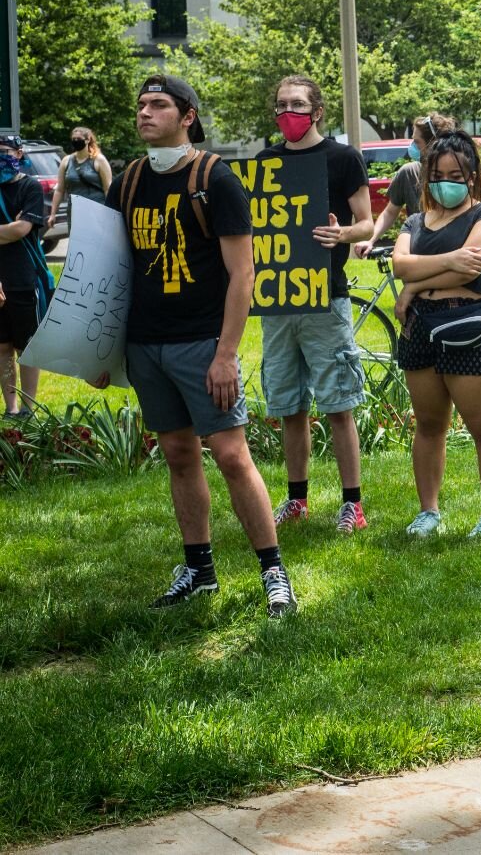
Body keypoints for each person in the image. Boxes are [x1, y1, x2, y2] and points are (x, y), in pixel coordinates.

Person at [110, 75, 296, 617]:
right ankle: (199, 570)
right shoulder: (127, 182)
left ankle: (273, 572)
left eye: (159, 105)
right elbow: (109, 270)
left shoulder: (215, 179)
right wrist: (100, 350)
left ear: (187, 115)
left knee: (233, 455)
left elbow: (244, 275)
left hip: (201, 344)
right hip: (145, 344)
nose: (145, 113)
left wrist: (225, 353)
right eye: (142, 104)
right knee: (177, 454)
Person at [261, 76, 375, 533]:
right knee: (289, 406)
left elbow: (367, 223)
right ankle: (297, 499)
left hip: (326, 297)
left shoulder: (343, 158)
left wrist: (341, 234)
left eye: (297, 104)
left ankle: (353, 503)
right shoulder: (266, 162)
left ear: (317, 112)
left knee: (338, 402)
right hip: (278, 299)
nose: (289, 112)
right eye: (282, 105)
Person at [392, 130, 481, 539]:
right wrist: (432, 269)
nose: (448, 181)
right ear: (427, 176)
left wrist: (416, 279)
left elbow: (473, 268)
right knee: (428, 425)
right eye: (440, 173)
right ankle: (428, 511)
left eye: (457, 175)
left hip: (470, 325)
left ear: (473, 176)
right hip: (419, 328)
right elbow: (400, 265)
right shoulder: (413, 221)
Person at [355, 113, 457, 258]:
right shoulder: (409, 172)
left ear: (433, 143)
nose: (412, 147)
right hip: (420, 257)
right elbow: (390, 212)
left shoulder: (458, 174)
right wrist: (370, 240)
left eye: (416, 142)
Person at [0, 134, 48, 419]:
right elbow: (14, 229)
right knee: (2, 346)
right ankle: (11, 408)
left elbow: (21, 230)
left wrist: (17, 227)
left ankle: (29, 409)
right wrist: (11, 227)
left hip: (23, 277)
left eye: (4, 151)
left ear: (19, 154)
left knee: (27, 345)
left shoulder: (29, 186)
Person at [46, 127, 113, 228]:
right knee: (76, 242)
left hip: (97, 210)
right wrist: (53, 214)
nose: (76, 141)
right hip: (75, 211)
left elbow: (108, 188)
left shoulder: (98, 160)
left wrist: (111, 213)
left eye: (78, 139)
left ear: (88, 139)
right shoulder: (66, 161)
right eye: (74, 139)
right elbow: (59, 189)